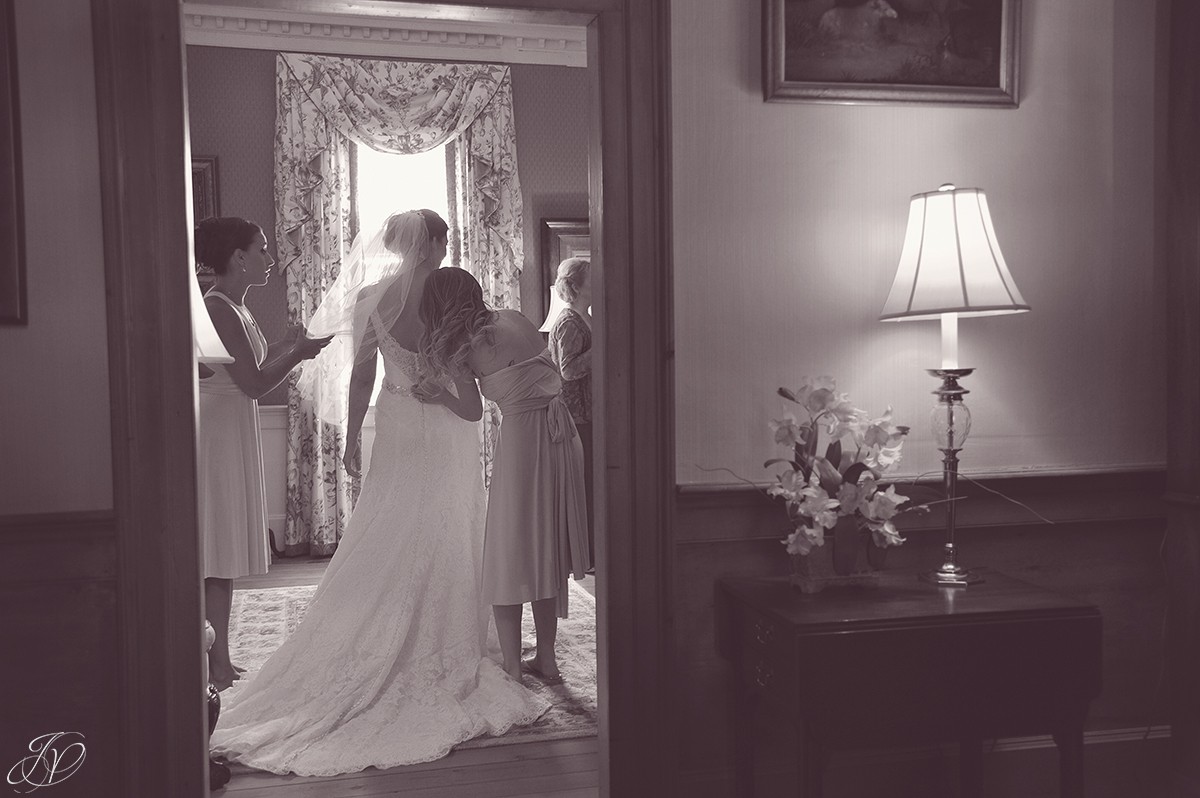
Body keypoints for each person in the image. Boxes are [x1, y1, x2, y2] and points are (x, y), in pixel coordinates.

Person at [209, 210, 548, 776]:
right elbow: (471, 373)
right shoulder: (449, 290)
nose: (444, 249)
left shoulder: (372, 295)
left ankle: (386, 620)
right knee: (450, 524)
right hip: (446, 430)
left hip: (395, 419)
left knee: (389, 521)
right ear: (434, 242)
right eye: (442, 240)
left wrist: (349, 439)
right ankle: (450, 631)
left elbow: (362, 375)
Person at [419, 267, 591, 685]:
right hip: (562, 437)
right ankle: (546, 657)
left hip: (524, 444)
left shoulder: (465, 345)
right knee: (545, 548)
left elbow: (473, 411)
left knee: (508, 554)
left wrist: (438, 393)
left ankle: (513, 667)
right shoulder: (514, 316)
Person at [197, 217, 332, 691]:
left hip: (231, 426)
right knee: (216, 552)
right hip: (217, 433)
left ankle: (220, 659)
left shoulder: (237, 306)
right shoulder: (218, 308)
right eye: (262, 249)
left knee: (223, 552)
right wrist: (300, 354)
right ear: (238, 257)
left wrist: (290, 343)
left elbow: (249, 362)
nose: (270, 259)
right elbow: (253, 384)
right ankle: (215, 664)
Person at [546, 257, 595, 570]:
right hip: (578, 418)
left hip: (590, 415)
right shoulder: (568, 323)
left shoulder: (585, 318)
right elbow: (568, 370)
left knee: (590, 486)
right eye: (591, 278)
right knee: (582, 486)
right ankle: (582, 556)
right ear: (575, 286)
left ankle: (588, 553)